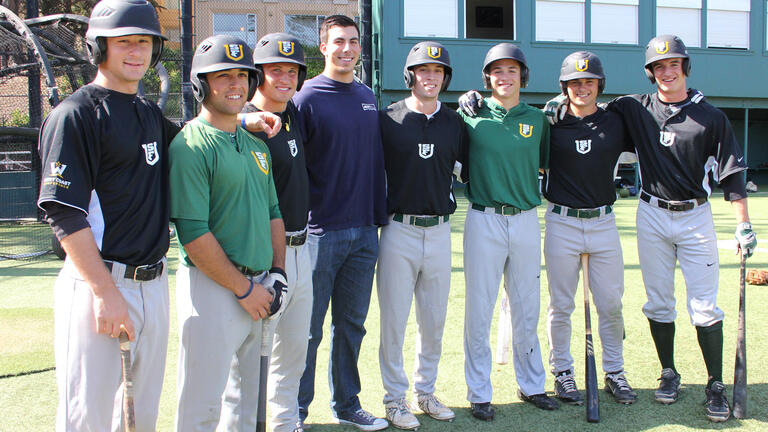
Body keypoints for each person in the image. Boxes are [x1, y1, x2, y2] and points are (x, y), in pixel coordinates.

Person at [546, 35, 757, 422]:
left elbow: (733, 174)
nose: (667, 70)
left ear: (685, 67)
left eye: (673, 63)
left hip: (695, 215)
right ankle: (668, 373)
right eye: (659, 66)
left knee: (704, 306)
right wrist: (557, 107)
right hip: (651, 212)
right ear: (650, 72)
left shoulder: (711, 116)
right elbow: (588, 110)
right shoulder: (634, 107)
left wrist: (743, 224)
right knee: (658, 301)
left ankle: (714, 383)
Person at [37, 1, 174, 429]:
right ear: (100, 47)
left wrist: (245, 118)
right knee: (87, 418)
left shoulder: (148, 112)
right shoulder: (76, 114)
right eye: (125, 43)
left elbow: (198, 135)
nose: (137, 52)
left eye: (145, 42)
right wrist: (104, 292)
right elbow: (64, 213)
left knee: (139, 417)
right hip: (101, 282)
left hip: (153, 282)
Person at [170, 34, 287, 431]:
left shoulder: (257, 146)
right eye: (223, 76)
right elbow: (192, 231)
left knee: (246, 407)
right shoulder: (189, 145)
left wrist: (278, 273)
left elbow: (273, 213)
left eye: (243, 75)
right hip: (214, 289)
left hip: (258, 286)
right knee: (201, 407)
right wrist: (243, 288)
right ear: (202, 84)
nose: (236, 84)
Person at [295, 14, 389, 431]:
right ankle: (294, 412)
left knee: (351, 327)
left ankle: (347, 405)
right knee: (308, 331)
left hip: (365, 232)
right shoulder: (306, 98)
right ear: (323, 47)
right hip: (321, 233)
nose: (347, 48)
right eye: (338, 42)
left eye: (353, 41)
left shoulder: (368, 96)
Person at [459, 43, 557, 421]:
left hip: (526, 219)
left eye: (511, 70)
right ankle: (479, 391)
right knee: (479, 309)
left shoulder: (537, 119)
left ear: (522, 75)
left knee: (527, 305)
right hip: (483, 217)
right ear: (487, 78)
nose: (504, 77)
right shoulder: (471, 114)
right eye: (496, 71)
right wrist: (466, 100)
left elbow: (545, 165)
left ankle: (532, 384)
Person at [377, 41, 466, 429]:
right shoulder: (388, 119)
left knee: (433, 320)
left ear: (445, 78)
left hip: (441, 230)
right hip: (399, 229)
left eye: (438, 71)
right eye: (423, 71)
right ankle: (394, 399)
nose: (431, 77)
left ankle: (424, 391)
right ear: (410, 75)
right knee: (394, 322)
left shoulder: (456, 122)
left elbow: (468, 168)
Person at [543, 51, 636, 406]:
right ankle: (563, 371)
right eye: (574, 82)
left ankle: (615, 371)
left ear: (600, 85)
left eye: (589, 81)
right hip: (562, 220)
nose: (582, 88)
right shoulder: (550, 122)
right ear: (564, 87)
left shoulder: (615, 122)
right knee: (561, 304)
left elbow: (643, 109)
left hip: (603, 222)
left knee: (611, 303)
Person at [241, 32, 313, 432]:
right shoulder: (246, 121)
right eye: (274, 70)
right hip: (264, 253)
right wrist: (241, 118)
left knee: (293, 354)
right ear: (259, 76)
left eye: (291, 71)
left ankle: (286, 424)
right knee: (253, 356)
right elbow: (198, 126)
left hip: (303, 247)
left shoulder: (293, 115)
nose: (284, 78)